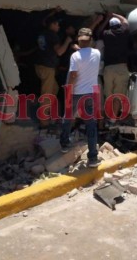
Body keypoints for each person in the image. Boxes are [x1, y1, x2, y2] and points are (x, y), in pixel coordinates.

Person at [60, 28, 102, 168]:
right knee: (91, 124)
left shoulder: (75, 56)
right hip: (90, 93)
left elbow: (73, 75)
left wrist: (68, 90)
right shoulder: (97, 53)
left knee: (68, 118)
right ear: (91, 40)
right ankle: (93, 158)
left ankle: (65, 144)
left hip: (76, 93)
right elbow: (87, 53)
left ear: (78, 39)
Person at [34, 15, 73, 129]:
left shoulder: (43, 33)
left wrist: (54, 12)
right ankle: (44, 123)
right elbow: (60, 52)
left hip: (40, 65)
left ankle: (51, 115)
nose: (58, 26)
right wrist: (67, 41)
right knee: (47, 94)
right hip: (47, 67)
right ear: (52, 24)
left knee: (54, 89)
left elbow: (43, 20)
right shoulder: (53, 36)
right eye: (57, 24)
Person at [100, 13, 130, 124]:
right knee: (118, 94)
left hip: (109, 68)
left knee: (109, 94)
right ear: (119, 25)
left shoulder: (106, 34)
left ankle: (107, 118)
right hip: (121, 68)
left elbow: (99, 30)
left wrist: (106, 18)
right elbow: (126, 22)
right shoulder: (124, 32)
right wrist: (115, 14)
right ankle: (112, 119)